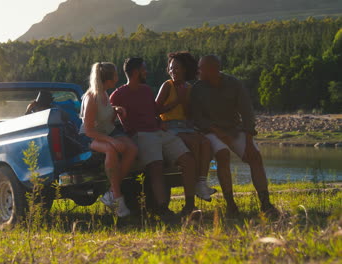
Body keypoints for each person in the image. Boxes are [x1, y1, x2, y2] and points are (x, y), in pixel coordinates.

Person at [191, 55, 279, 217]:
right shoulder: (197, 89)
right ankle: (231, 204)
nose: (198, 71)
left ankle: (265, 203)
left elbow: (247, 112)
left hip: (234, 129)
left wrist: (249, 141)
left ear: (213, 70)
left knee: (255, 157)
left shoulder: (234, 84)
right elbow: (198, 118)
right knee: (223, 155)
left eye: (201, 68)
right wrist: (218, 133)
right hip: (211, 131)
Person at [110, 58, 198, 219]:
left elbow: (154, 111)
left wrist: (160, 122)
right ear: (136, 72)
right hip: (140, 134)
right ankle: (163, 209)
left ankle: (190, 205)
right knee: (156, 166)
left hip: (158, 131)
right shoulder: (118, 94)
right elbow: (109, 114)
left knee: (188, 159)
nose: (147, 72)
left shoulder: (146, 90)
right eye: (144, 69)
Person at [155, 51, 216, 202]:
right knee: (194, 143)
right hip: (170, 125)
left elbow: (188, 113)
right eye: (171, 69)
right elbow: (155, 109)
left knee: (206, 143)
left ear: (184, 69)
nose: (173, 72)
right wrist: (177, 101)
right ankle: (194, 184)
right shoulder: (167, 86)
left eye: (176, 68)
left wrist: (184, 103)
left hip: (185, 126)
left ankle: (201, 182)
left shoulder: (188, 87)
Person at [80, 62, 138, 217]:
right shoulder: (91, 97)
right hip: (90, 137)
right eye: (115, 75)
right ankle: (118, 199)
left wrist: (116, 110)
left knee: (131, 148)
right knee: (110, 150)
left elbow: (104, 116)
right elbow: (88, 130)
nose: (118, 77)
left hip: (107, 132)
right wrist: (111, 141)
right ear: (109, 78)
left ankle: (111, 193)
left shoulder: (105, 93)